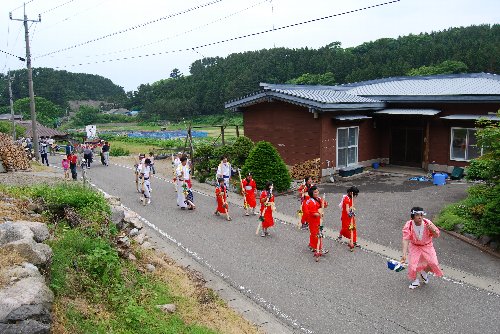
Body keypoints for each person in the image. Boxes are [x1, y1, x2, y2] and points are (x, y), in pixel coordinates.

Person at [401, 207, 443, 289]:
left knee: (433, 262)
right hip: (414, 246)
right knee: (413, 265)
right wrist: (404, 254)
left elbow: (436, 235)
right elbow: (405, 239)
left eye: (421, 215)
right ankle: (416, 281)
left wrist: (433, 230)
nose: (420, 217)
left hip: (427, 245)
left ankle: (424, 273)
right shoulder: (409, 225)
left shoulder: (428, 223)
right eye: (417, 215)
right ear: (412, 217)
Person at [304, 186, 329, 258]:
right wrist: (320, 214)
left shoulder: (319, 199)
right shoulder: (311, 202)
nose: (317, 193)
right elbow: (312, 212)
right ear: (312, 193)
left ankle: (312, 245)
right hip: (313, 220)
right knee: (316, 233)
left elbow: (324, 205)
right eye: (315, 192)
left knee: (314, 233)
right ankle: (319, 248)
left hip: (318, 219)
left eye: (317, 191)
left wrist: (325, 204)